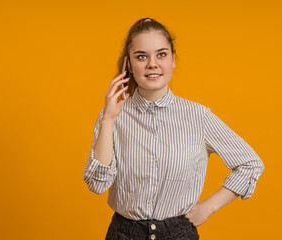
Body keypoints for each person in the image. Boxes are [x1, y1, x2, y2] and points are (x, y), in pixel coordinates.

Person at [82, 17, 264, 240]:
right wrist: (109, 119)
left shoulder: (198, 116)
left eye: (161, 54)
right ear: (128, 64)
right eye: (141, 56)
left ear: (173, 59)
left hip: (179, 234)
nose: (152, 64)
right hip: (124, 234)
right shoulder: (111, 116)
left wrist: (208, 207)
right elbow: (97, 184)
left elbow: (250, 164)